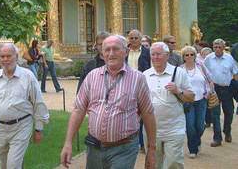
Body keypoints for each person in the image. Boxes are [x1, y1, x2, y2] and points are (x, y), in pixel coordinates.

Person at [61, 35, 156, 169]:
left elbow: (148, 114)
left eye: (116, 49)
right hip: (95, 148)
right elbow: (78, 109)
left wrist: (151, 149)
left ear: (126, 52)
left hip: (124, 148)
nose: (111, 53)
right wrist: (68, 142)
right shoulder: (92, 76)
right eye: (107, 50)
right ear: (102, 53)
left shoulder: (138, 79)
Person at [0, 43, 49, 169]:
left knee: (13, 165)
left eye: (9, 56)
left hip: (21, 126)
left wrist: (38, 129)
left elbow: (38, 103)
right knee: (3, 165)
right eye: (2, 56)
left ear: (16, 56)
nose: (5, 59)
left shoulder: (28, 77)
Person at [143, 42, 194, 169]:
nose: (155, 57)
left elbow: (191, 97)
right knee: (154, 163)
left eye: (158, 54)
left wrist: (178, 90)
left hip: (174, 128)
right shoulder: (145, 75)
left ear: (167, 55)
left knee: (174, 163)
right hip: (151, 130)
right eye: (153, 54)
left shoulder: (179, 72)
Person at [204, 38, 238, 146]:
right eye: (215, 47)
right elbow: (204, 73)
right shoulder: (208, 59)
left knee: (229, 112)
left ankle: (227, 131)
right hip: (214, 89)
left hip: (227, 89)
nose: (217, 49)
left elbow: (235, 73)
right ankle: (217, 138)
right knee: (215, 114)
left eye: (219, 47)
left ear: (224, 47)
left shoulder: (229, 58)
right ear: (212, 47)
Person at [181, 46, 212, 158]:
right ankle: (192, 149)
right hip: (188, 102)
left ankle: (196, 140)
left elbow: (209, 80)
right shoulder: (180, 69)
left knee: (199, 125)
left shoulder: (200, 66)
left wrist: (208, 92)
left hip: (201, 100)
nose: (189, 56)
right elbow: (178, 86)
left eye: (192, 54)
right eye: (186, 55)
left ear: (195, 55)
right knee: (190, 126)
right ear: (183, 57)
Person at [127, 29, 151, 152]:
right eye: (131, 38)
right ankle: (131, 142)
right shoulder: (124, 52)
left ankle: (142, 143)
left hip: (142, 86)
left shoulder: (147, 52)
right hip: (126, 87)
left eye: (136, 38)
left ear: (140, 39)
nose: (134, 40)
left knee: (143, 115)